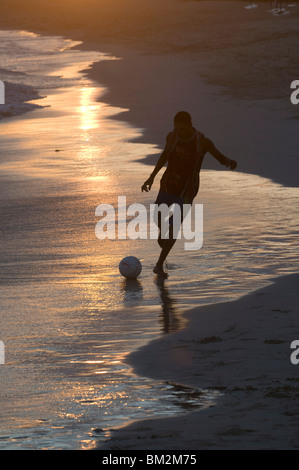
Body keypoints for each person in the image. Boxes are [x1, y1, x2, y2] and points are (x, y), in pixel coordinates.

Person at [141, 111, 237, 278]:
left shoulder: (202, 142)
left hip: (187, 190)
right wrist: (151, 177)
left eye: (183, 129)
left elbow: (219, 157)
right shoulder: (172, 137)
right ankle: (164, 234)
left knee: (174, 227)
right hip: (168, 184)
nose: (180, 132)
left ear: (190, 125)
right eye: (177, 128)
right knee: (158, 218)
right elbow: (164, 156)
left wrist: (229, 162)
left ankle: (158, 265)